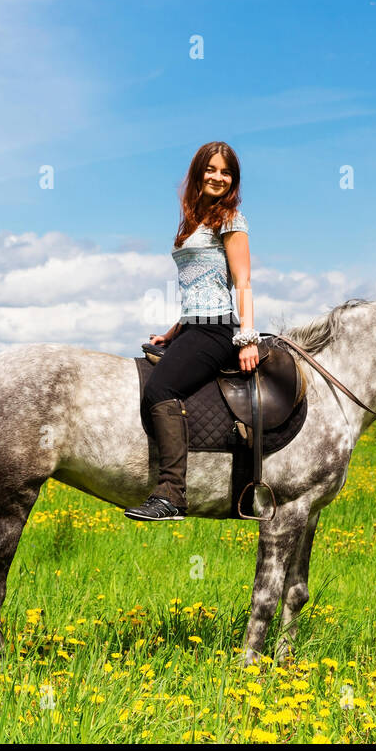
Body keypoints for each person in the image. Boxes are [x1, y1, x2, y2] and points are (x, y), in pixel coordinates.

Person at [123, 141, 260, 521]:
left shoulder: (232, 219)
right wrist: (171, 333)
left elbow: (242, 281)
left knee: (161, 389)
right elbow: (196, 289)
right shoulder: (193, 221)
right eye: (211, 169)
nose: (218, 177)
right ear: (198, 172)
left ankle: (171, 495)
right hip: (192, 327)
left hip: (217, 330)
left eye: (226, 172)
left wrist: (247, 338)